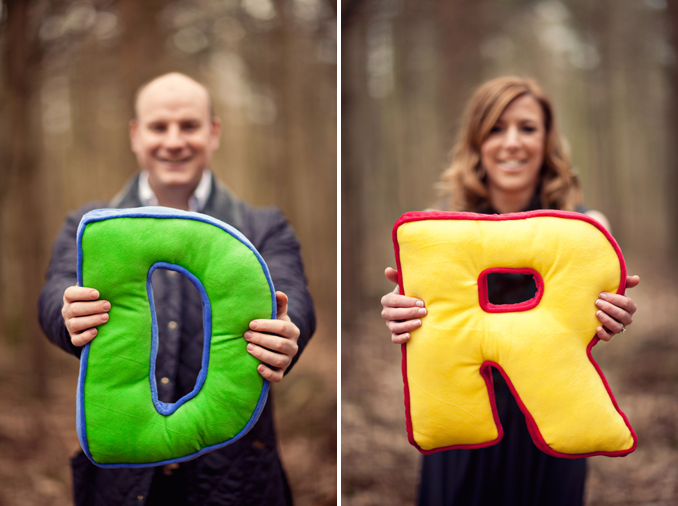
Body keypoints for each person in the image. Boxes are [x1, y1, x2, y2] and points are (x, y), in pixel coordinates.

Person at [39, 72, 316, 506]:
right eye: (158, 126)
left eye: (189, 126)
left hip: (236, 476)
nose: (173, 141)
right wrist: (65, 313)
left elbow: (293, 294)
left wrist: (287, 328)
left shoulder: (263, 225)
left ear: (214, 132)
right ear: (135, 135)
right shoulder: (88, 226)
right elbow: (55, 289)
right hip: (123, 481)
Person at [380, 76, 638, 506]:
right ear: (477, 142)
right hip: (466, 415)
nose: (512, 142)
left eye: (528, 127)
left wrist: (611, 318)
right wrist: (404, 315)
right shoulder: (444, 228)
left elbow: (591, 321)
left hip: (552, 417)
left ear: (547, 140)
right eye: (497, 129)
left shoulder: (586, 228)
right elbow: (430, 324)